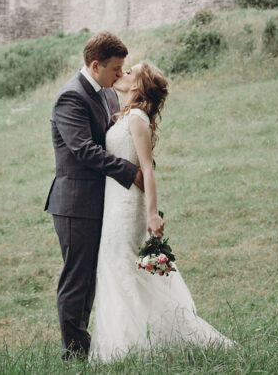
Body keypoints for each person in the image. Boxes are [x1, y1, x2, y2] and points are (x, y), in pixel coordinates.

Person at [89, 61, 234, 363]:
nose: (122, 73)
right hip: (114, 204)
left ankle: (141, 343)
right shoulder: (124, 116)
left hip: (129, 208)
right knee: (116, 268)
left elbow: (148, 169)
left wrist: (153, 214)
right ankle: (126, 342)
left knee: (126, 268)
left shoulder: (138, 119)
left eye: (130, 72)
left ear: (138, 86)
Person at [44, 31, 146, 360]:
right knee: (77, 278)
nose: (121, 74)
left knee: (93, 275)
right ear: (95, 64)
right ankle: (73, 353)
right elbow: (85, 151)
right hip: (74, 204)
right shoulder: (70, 97)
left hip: (102, 200)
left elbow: (114, 140)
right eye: (116, 68)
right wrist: (132, 173)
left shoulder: (106, 94)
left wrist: (142, 159)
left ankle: (89, 345)